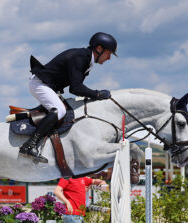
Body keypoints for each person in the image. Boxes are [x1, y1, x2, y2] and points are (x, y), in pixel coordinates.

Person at [19, 32, 117, 163]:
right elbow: (75, 88)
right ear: (99, 49)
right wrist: (97, 94)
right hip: (40, 84)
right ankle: (30, 145)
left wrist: (95, 95)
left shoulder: (86, 59)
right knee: (59, 110)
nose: (109, 58)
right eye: (109, 53)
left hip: (47, 85)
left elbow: (75, 88)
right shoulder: (80, 57)